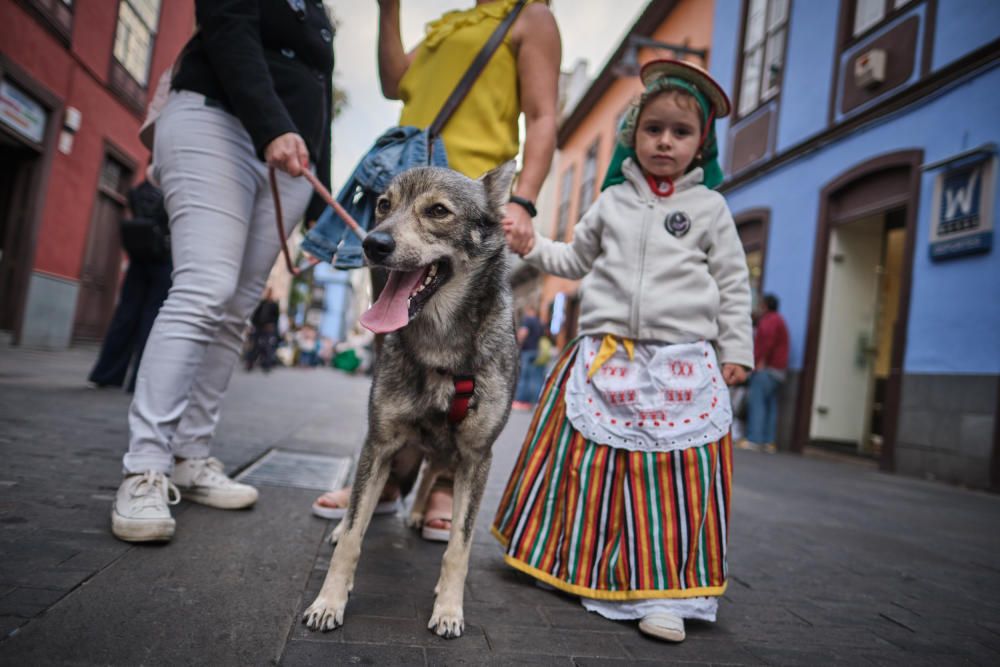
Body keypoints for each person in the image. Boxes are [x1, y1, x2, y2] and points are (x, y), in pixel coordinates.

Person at [494, 59, 753, 643]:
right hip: (605, 355)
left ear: (701, 143)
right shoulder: (609, 202)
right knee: (590, 469)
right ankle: (569, 563)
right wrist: (533, 243)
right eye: (653, 128)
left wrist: (738, 348)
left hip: (682, 361)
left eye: (681, 132)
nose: (665, 141)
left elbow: (734, 285)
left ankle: (668, 592)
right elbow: (574, 262)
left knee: (673, 479)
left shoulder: (712, 210)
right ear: (634, 133)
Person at [310, 0, 560, 540]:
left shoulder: (528, 17)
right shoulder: (449, 26)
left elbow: (542, 116)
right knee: (396, 345)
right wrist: (390, 10)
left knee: (468, 350)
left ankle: (445, 482)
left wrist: (525, 202)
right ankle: (391, 477)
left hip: (467, 198)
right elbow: (395, 81)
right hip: (403, 196)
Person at [110, 0, 336, 543]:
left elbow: (318, 93)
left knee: (237, 309)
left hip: (290, 159)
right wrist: (272, 124)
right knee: (205, 287)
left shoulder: (320, 9)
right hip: (218, 119)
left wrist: (322, 223)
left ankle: (191, 455)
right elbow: (226, 24)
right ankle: (145, 467)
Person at [88, 180, 172, 393]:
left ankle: (107, 373)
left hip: (139, 258)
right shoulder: (174, 190)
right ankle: (139, 380)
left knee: (125, 315)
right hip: (164, 259)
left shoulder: (138, 191)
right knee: (152, 319)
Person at [742, 293, 788, 453]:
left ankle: (755, 439)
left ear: (766, 306)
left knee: (758, 403)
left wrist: (759, 362)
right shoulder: (780, 320)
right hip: (779, 371)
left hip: (766, 369)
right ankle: (769, 442)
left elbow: (767, 341)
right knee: (771, 405)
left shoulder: (769, 321)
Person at [512, 305, 545, 409]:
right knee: (534, 378)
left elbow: (523, 333)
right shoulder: (539, 322)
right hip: (535, 351)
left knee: (523, 377)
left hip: (526, 351)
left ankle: (520, 400)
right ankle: (534, 401)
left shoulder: (528, 320)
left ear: (529, 310)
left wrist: (516, 342)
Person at [245, 287, 281, 372]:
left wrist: (272, 325)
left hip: (268, 328)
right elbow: (255, 315)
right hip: (258, 326)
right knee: (255, 345)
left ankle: (266, 364)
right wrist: (253, 325)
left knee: (267, 346)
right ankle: (250, 363)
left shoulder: (274, 305)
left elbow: (276, 318)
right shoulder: (261, 303)